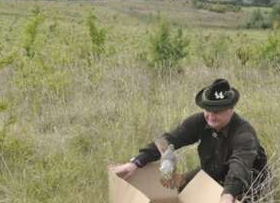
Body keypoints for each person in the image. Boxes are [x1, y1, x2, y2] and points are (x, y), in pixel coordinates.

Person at [111, 79, 269, 203]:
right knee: (176, 187)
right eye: (208, 109)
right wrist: (136, 162)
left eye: (217, 111)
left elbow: (239, 167)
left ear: (231, 109)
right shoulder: (200, 121)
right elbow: (168, 140)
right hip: (212, 174)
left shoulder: (244, 133)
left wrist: (227, 196)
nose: (211, 116)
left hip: (245, 187)